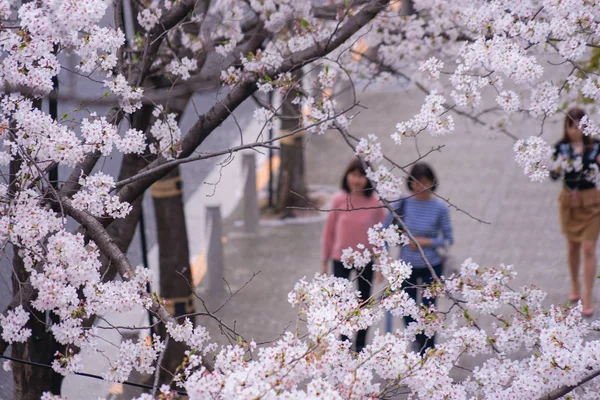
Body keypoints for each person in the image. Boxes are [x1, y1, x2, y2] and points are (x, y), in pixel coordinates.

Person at [383, 162, 453, 353]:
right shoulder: (403, 203)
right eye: (416, 182)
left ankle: (428, 349)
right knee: (408, 309)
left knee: (429, 310)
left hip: (432, 265)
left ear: (432, 182)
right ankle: (417, 343)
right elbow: (387, 231)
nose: (420, 187)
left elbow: (448, 238)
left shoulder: (439, 208)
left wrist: (424, 242)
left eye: (424, 182)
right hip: (407, 266)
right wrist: (404, 240)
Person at [321, 157, 386, 353]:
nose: (356, 180)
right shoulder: (339, 199)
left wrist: (379, 265)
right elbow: (329, 232)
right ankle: (343, 342)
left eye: (361, 176)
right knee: (341, 302)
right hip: (340, 258)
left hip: (365, 261)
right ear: (347, 176)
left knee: (364, 302)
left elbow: (380, 236)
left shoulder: (375, 203)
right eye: (353, 175)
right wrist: (324, 261)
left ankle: (360, 345)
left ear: (368, 179)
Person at [550, 107, 600, 317]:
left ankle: (588, 293)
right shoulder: (561, 148)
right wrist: (557, 166)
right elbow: (552, 175)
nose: (575, 131)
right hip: (569, 202)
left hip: (592, 202)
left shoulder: (596, 147)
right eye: (571, 126)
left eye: (579, 126)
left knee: (588, 247)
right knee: (572, 246)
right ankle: (574, 283)